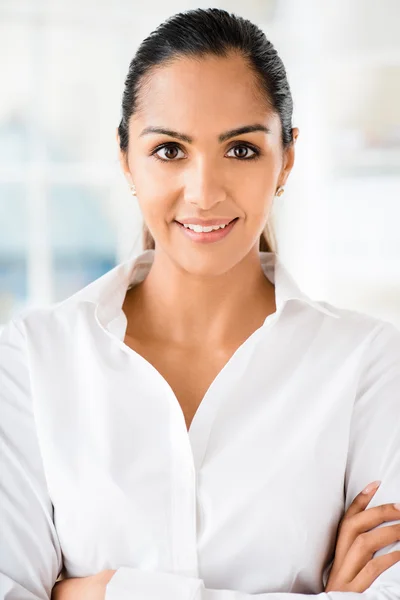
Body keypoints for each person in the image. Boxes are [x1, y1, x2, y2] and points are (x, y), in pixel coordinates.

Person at [1, 7, 399, 600]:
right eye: (169, 150)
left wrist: (98, 591)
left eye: (240, 149)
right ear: (125, 158)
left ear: (286, 158)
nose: (204, 192)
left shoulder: (370, 362)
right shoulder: (32, 358)